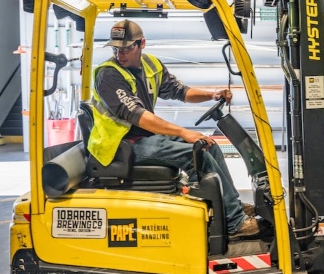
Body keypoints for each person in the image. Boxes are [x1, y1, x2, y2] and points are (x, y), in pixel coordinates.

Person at [88, 19, 258, 238]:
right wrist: (182, 132)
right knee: (196, 155)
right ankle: (234, 223)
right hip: (121, 146)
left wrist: (212, 95)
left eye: (126, 48)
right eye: (116, 48)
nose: (120, 54)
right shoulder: (108, 75)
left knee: (209, 146)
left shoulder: (151, 65)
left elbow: (180, 91)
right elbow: (137, 115)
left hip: (143, 137)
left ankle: (231, 206)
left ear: (142, 44)